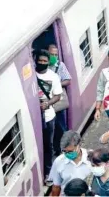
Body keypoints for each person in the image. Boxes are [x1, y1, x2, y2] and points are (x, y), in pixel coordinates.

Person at [35, 49, 62, 181]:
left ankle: (47, 172)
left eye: (44, 61)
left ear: (48, 62)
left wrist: (47, 103)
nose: (42, 63)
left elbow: (57, 96)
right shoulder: (31, 75)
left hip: (48, 116)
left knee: (48, 145)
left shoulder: (53, 76)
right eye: (40, 60)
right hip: (34, 117)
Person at [50, 131, 92, 196]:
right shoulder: (59, 161)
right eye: (64, 151)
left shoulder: (92, 158)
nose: (67, 154)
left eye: (70, 151)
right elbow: (56, 187)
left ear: (79, 145)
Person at [47, 44, 70, 156]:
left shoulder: (60, 65)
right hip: (47, 103)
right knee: (52, 129)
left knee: (61, 126)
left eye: (56, 55)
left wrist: (56, 85)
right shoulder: (42, 67)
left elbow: (68, 80)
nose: (54, 57)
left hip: (58, 103)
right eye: (52, 54)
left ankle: (66, 147)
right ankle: (57, 149)